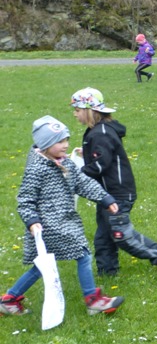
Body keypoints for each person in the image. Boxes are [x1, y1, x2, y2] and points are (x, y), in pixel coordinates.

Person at [0, 116, 125, 317]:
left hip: (64, 221)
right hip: (47, 226)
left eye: (66, 140)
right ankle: (92, 300)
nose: (65, 145)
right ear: (45, 144)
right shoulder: (37, 168)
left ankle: (9, 300)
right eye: (59, 142)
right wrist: (32, 222)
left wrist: (104, 198)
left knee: (42, 267)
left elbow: (82, 182)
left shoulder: (64, 162)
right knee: (83, 254)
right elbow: (25, 199)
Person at [71, 88, 157, 276]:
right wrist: (86, 154)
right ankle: (108, 273)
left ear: (89, 110)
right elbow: (102, 154)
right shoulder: (99, 130)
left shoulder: (100, 133)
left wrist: (75, 173)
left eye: (77, 110)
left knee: (121, 235)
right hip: (106, 194)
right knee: (104, 236)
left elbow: (101, 164)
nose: (75, 114)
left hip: (117, 193)